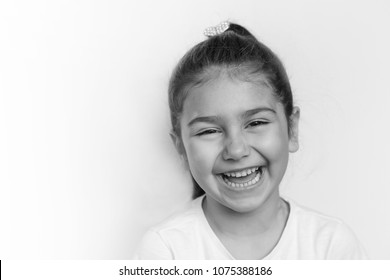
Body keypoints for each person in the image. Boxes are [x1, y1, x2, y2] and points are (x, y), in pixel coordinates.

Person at [133, 22, 367, 260]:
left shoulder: (332, 247)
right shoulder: (165, 249)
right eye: (209, 131)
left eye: (255, 124)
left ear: (292, 129)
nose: (236, 150)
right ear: (181, 147)